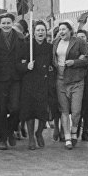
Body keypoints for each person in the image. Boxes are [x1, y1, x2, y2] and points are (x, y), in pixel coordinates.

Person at [0, 12, 26, 150]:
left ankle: (9, 130)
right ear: (0, 24)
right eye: (3, 23)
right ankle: (3, 138)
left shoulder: (20, 38)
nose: (6, 25)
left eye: (9, 23)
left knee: (15, 108)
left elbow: (24, 55)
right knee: (1, 109)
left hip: (15, 77)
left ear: (13, 23)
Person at [53, 21, 88, 149]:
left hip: (76, 81)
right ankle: (68, 137)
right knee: (64, 111)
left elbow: (87, 58)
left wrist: (74, 62)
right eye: (60, 29)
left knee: (76, 111)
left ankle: (74, 131)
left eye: (64, 29)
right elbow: (53, 59)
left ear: (70, 30)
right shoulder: (56, 42)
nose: (61, 32)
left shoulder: (79, 42)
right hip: (60, 80)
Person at [18, 20, 54, 150]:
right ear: (34, 33)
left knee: (43, 111)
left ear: (46, 33)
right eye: (38, 30)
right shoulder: (27, 46)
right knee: (30, 111)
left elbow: (53, 63)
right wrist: (26, 66)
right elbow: (18, 65)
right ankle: (31, 137)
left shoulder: (50, 47)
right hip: (29, 82)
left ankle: (39, 132)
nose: (40, 32)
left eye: (42, 30)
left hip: (44, 82)